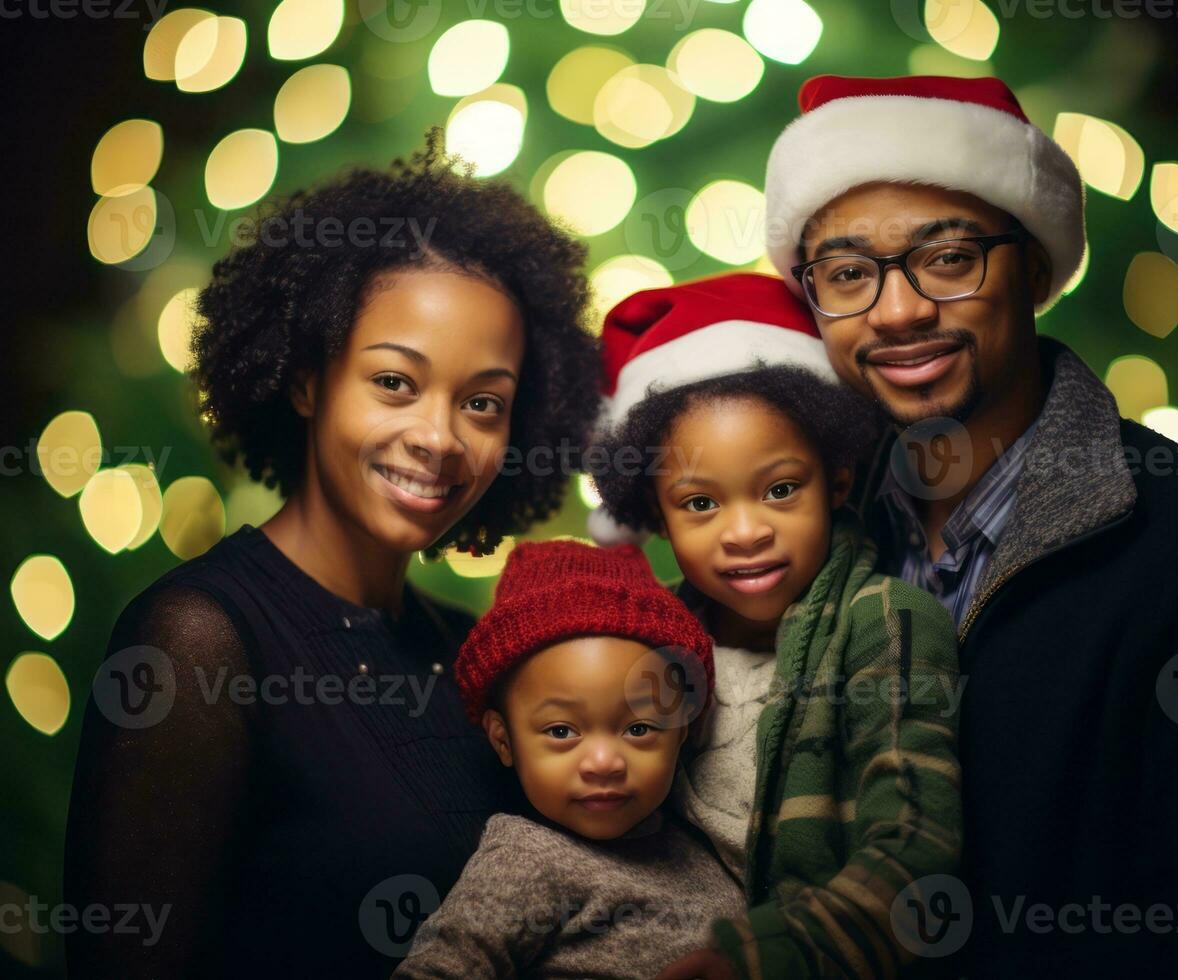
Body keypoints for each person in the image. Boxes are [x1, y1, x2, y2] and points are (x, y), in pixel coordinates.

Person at [764, 74, 1178, 976]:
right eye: (849, 274)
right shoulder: (796, 547)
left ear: (1035, 269)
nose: (898, 311)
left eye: (947, 258)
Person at [62, 131, 601, 978]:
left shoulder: (474, 655)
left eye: (483, 404)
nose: (438, 438)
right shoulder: (199, 641)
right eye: (394, 381)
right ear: (308, 379)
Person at [587, 273, 963, 979]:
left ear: (838, 481)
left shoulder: (885, 622)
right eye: (699, 503)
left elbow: (915, 846)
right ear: (656, 512)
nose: (745, 532)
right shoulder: (647, 641)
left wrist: (756, 960)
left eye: (780, 489)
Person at [393, 539, 745, 978]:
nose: (603, 762)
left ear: (685, 733)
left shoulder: (707, 848)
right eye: (562, 732)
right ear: (503, 741)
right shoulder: (524, 861)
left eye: (639, 729)